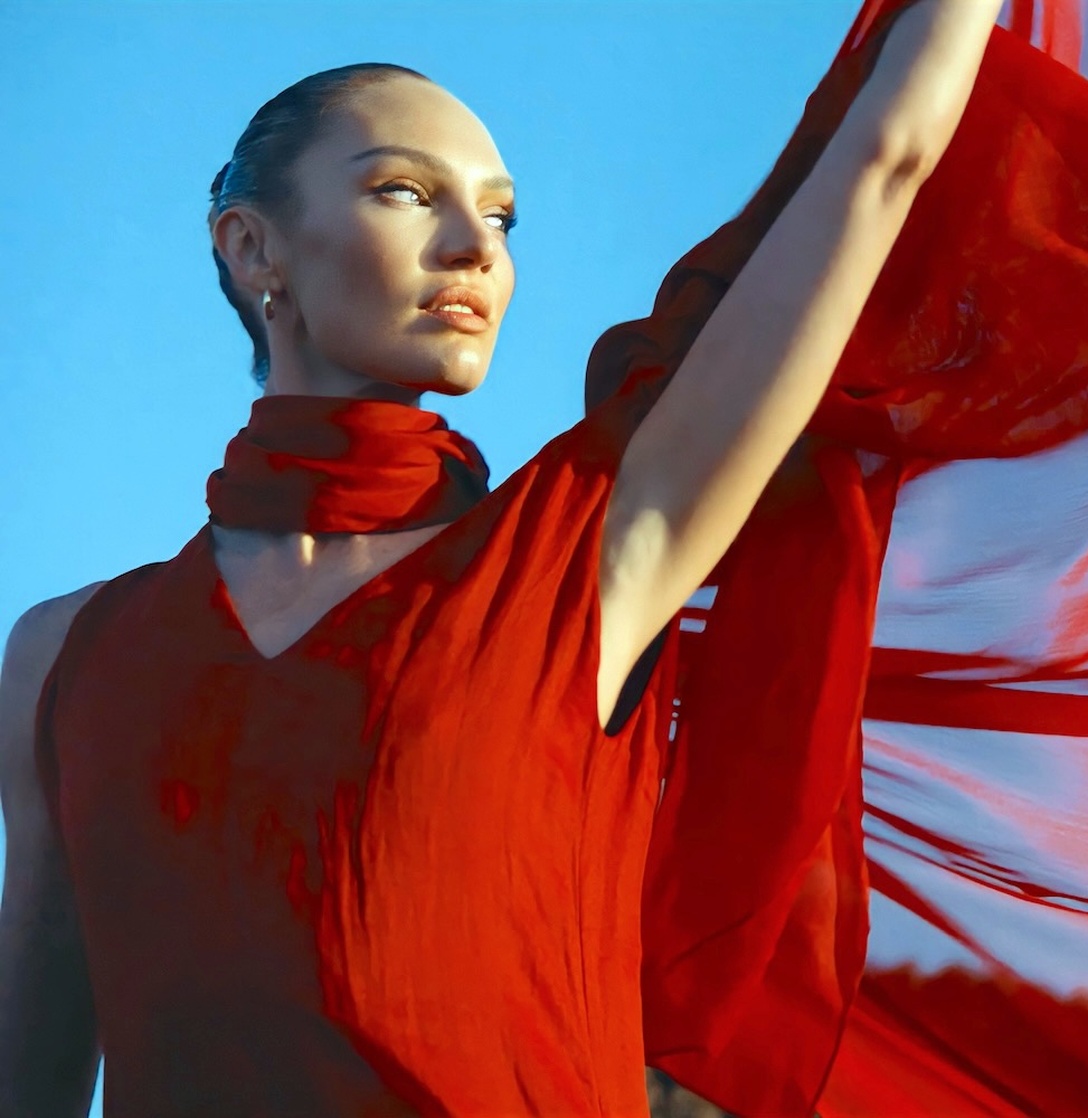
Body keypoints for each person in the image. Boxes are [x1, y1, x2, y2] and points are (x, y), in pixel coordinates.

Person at [0, 0, 1004, 1112]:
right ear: (251, 247)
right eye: (404, 191)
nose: (475, 247)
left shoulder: (587, 550)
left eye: (501, 215)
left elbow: (878, 164)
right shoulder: (64, 656)